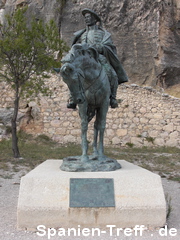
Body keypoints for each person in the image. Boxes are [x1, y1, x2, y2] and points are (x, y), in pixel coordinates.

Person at [67, 8, 128, 109]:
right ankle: (72, 98)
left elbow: (109, 46)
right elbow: (75, 46)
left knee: (111, 73)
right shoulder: (81, 34)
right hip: (85, 59)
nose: (87, 19)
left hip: (98, 57)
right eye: (85, 18)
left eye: (89, 17)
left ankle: (113, 98)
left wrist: (100, 47)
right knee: (72, 74)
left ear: (95, 19)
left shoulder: (104, 34)